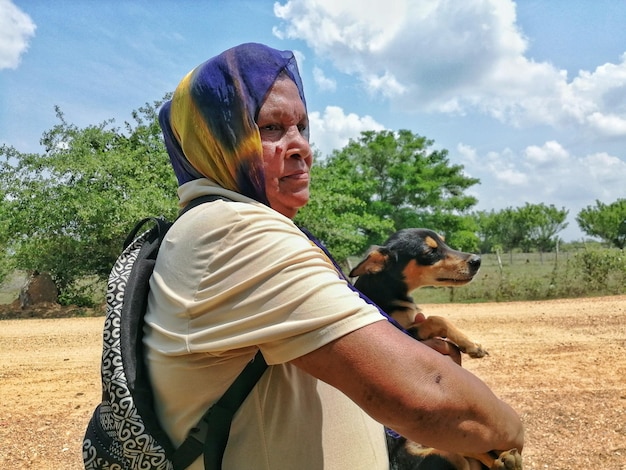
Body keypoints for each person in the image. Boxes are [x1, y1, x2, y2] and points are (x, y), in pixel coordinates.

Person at [144, 42, 523, 470]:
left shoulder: (215, 225)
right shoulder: (234, 230)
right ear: (215, 140)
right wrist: (509, 434)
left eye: (302, 127)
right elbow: (427, 398)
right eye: (270, 128)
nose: (301, 147)